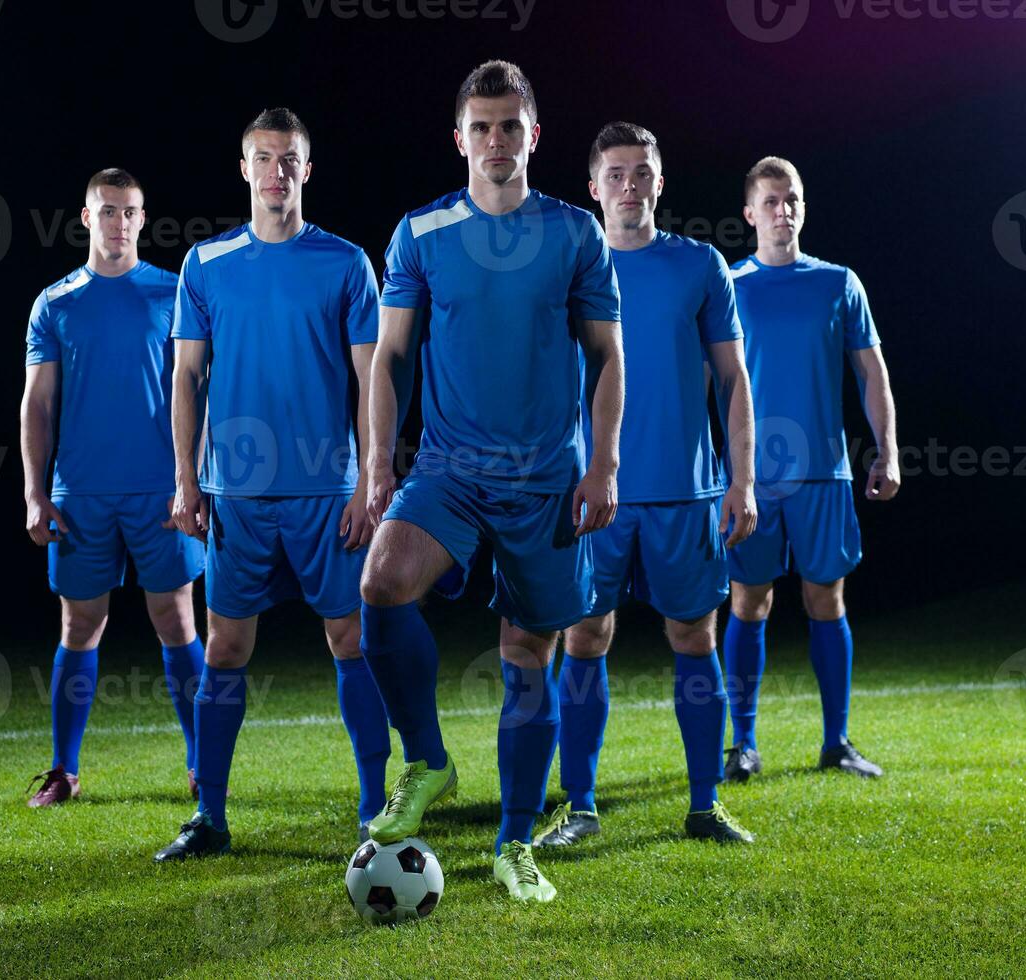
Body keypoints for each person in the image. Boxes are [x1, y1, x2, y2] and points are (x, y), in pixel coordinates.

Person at [360, 61, 624, 902]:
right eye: (482, 126)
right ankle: (428, 761)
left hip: (546, 479)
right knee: (381, 583)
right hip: (448, 468)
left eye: (511, 125)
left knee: (525, 659)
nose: (497, 140)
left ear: (533, 136)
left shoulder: (575, 234)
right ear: (460, 138)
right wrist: (376, 462)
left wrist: (603, 464)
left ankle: (515, 845)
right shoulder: (420, 231)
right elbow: (390, 356)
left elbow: (608, 356)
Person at [153, 108, 388, 861]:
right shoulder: (206, 263)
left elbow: (369, 378)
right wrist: (185, 479)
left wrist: (368, 480)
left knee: (350, 639)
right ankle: (210, 819)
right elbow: (186, 377)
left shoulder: (347, 262)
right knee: (224, 647)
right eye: (263, 158)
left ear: (306, 170)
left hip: (327, 490)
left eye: (289, 159)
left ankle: (373, 809)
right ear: (244, 167)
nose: (276, 171)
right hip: (238, 494)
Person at [535, 122, 759, 850]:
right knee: (585, 636)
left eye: (641, 173)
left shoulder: (699, 265)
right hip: (591, 494)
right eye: (615, 174)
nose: (628, 186)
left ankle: (704, 803)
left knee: (693, 635)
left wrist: (740, 479)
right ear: (592, 187)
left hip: (686, 492)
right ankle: (580, 805)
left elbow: (732, 378)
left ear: (659, 183)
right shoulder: (566, 266)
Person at [21, 168, 206, 807]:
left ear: (142, 218)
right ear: (85, 217)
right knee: (80, 625)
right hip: (81, 493)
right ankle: (63, 770)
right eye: (107, 211)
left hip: (161, 491)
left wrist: (193, 480)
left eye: (129, 212)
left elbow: (198, 392)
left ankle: (201, 764)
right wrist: (34, 492)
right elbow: (37, 404)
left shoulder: (171, 291)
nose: (118, 222)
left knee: (177, 618)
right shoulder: (56, 303)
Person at [722, 156, 901, 783]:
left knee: (827, 598)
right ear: (750, 213)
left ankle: (837, 742)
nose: (782, 210)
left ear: (803, 206)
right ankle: (742, 745)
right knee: (749, 600)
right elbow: (706, 381)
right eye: (770, 201)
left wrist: (889, 449)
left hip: (824, 472)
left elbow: (870, 370)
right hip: (751, 476)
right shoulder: (730, 284)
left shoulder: (838, 283)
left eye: (791, 199)